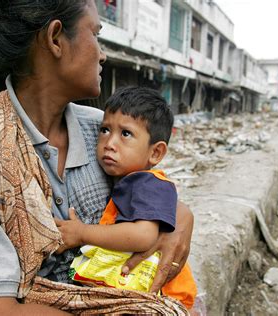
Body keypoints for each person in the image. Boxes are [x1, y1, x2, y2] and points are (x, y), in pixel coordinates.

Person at [0, 0, 194, 315]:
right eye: (95, 34)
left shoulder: (101, 131)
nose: (102, 53)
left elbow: (148, 188)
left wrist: (179, 216)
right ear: (56, 38)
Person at [55, 86, 198, 309]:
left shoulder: (147, 183)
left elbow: (143, 236)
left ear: (156, 153)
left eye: (126, 134)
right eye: (104, 130)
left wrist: (81, 233)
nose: (109, 143)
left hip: (164, 297)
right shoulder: (129, 180)